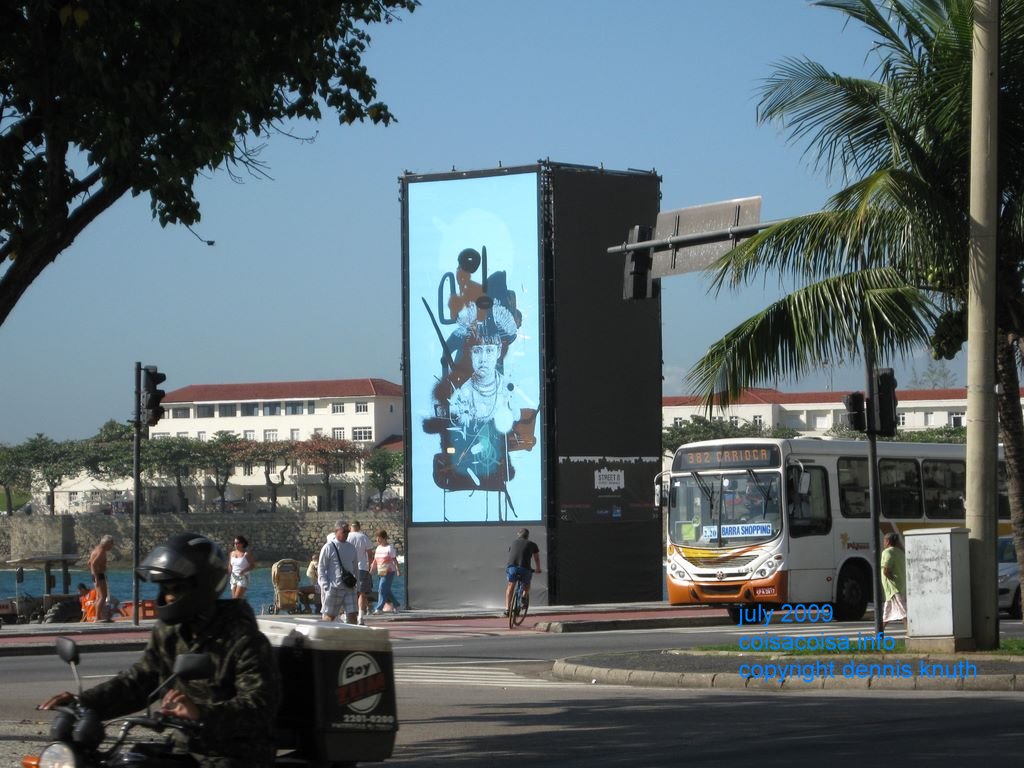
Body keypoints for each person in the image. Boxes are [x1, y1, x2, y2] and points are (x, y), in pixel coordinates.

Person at [40, 533, 282, 767]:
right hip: (185, 749)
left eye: (173, 589)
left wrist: (200, 714)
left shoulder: (242, 639)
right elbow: (140, 680)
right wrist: (84, 703)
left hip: (234, 755)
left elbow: (259, 706)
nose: (165, 598)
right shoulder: (170, 632)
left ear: (201, 586)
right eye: (163, 589)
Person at [317, 520, 358, 624]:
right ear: (336, 531)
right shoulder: (329, 547)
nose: (346, 534)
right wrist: (325, 585)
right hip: (334, 587)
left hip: (349, 586)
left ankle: (350, 636)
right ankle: (325, 635)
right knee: (329, 616)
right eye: (343, 531)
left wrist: (357, 583)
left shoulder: (351, 547)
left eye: (347, 532)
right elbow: (321, 567)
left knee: (352, 614)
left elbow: (355, 567)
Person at [504, 528, 541, 617]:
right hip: (525, 568)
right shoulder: (532, 544)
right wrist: (538, 569)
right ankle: (524, 595)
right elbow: (536, 558)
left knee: (510, 586)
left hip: (512, 568)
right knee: (527, 583)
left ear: (518, 535)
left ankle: (507, 609)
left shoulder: (513, 543)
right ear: (527, 536)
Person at [347, 520, 374, 625]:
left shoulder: (347, 537)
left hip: (349, 568)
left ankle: (348, 615)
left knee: (349, 592)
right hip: (362, 567)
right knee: (361, 593)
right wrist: (369, 565)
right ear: (359, 527)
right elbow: (370, 554)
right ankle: (361, 617)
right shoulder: (363, 537)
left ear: (350, 527)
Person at [881, 532, 907, 627]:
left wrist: (891, 578)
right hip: (898, 587)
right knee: (887, 613)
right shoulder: (900, 552)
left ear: (888, 541)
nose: (883, 543)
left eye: (884, 540)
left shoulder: (887, 552)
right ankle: (879, 633)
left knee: (903, 612)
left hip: (893, 588)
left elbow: (886, 571)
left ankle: (911, 632)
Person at [371, 530, 401, 614]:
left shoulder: (389, 548)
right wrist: (371, 571)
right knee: (387, 590)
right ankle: (397, 604)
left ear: (383, 538)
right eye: (377, 538)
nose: (377, 540)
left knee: (381, 589)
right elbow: (375, 561)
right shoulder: (378, 548)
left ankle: (379, 608)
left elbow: (395, 560)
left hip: (389, 572)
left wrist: (398, 570)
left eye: (379, 538)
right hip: (381, 572)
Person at [88, 534, 114, 622]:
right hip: (98, 575)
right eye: (111, 544)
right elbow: (93, 564)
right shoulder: (101, 551)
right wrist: (96, 577)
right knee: (103, 596)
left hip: (96, 574)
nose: (112, 547)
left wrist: (94, 572)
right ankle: (97, 617)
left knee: (99, 596)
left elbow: (89, 562)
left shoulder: (96, 549)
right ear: (107, 543)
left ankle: (99, 616)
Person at [228, 535, 255, 599]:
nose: (235, 545)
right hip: (233, 577)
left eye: (237, 543)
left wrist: (244, 571)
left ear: (242, 544)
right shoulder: (232, 553)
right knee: (234, 599)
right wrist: (228, 573)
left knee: (236, 598)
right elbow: (230, 565)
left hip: (243, 577)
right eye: (234, 543)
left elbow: (252, 565)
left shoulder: (246, 554)